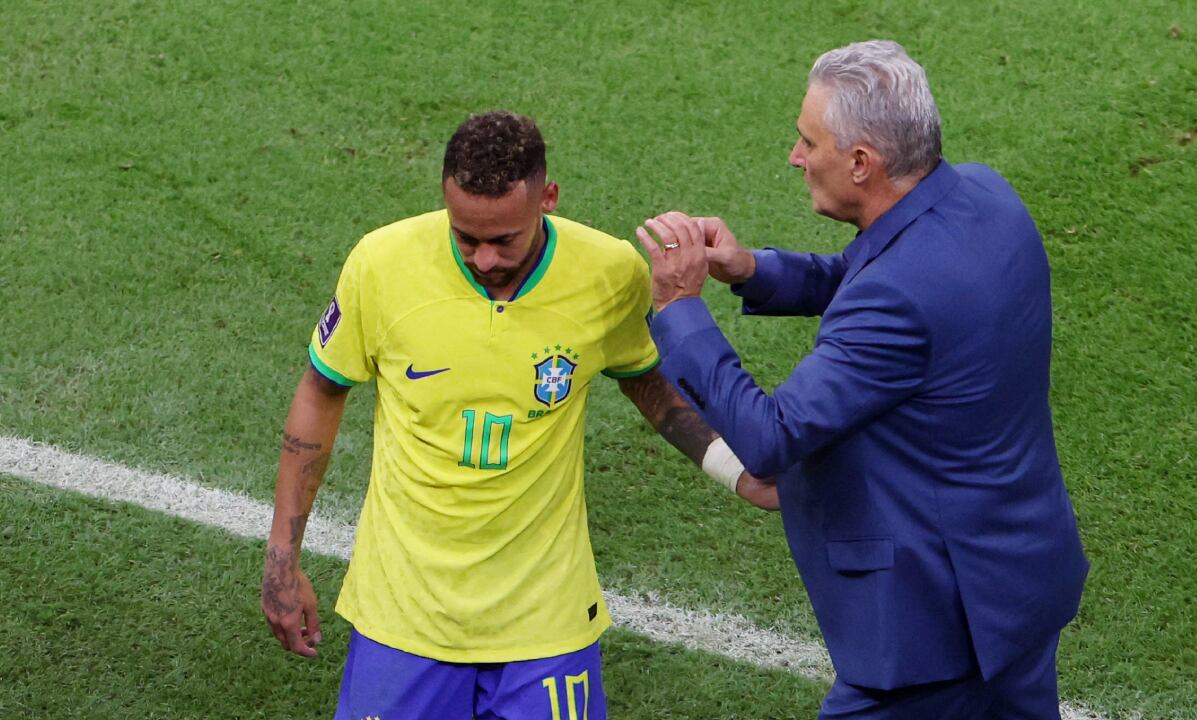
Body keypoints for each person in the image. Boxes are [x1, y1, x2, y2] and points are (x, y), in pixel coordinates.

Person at [261, 110, 772, 720]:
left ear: (547, 199)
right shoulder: (381, 263)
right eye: (464, 236)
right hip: (404, 612)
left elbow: (649, 383)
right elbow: (322, 391)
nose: (482, 258)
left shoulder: (608, 273)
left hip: (547, 618)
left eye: (503, 239)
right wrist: (281, 561)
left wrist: (736, 470)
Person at [636, 41, 1089, 720]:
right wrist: (750, 268)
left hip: (932, 631)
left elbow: (770, 437)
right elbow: (875, 273)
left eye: (806, 140)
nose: (795, 156)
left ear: (860, 162)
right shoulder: (987, 199)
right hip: (1017, 584)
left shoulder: (898, 299)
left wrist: (680, 310)